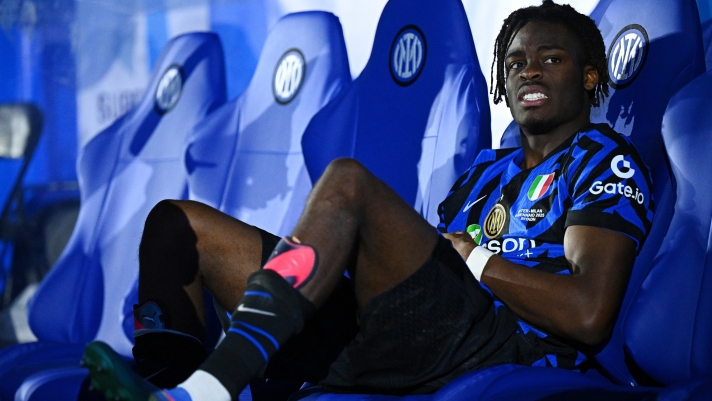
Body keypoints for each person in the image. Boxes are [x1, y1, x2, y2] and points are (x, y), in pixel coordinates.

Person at [81, 1, 654, 400]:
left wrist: (474, 259)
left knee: (348, 184)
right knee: (175, 225)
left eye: (550, 58)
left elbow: (588, 314)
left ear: (588, 76)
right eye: (515, 61)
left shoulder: (604, 160)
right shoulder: (486, 171)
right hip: (417, 336)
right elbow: (431, 279)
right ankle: (167, 391)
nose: (529, 68)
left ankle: (213, 387)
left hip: (501, 348)